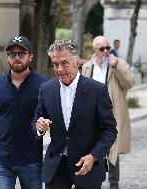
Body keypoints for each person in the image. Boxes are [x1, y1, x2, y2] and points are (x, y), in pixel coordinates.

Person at [34, 39, 117, 189]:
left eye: (64, 63)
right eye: (55, 64)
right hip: (56, 166)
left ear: (77, 61)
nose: (59, 69)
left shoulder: (97, 90)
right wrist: (39, 127)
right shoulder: (46, 89)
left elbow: (110, 131)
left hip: (87, 164)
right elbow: (37, 121)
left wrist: (93, 156)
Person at [0, 35, 47, 189]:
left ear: (30, 56)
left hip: (31, 159)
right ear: (7, 57)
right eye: (12, 54)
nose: (17, 58)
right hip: (1, 159)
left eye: (21, 54)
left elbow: (49, 119)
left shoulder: (44, 86)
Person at [82, 36, 135, 189]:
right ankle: (92, 178)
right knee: (91, 146)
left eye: (108, 48)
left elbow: (130, 82)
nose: (106, 51)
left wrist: (117, 65)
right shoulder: (87, 66)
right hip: (92, 114)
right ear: (94, 50)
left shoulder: (118, 64)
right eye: (102, 49)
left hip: (111, 112)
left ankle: (114, 182)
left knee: (113, 147)